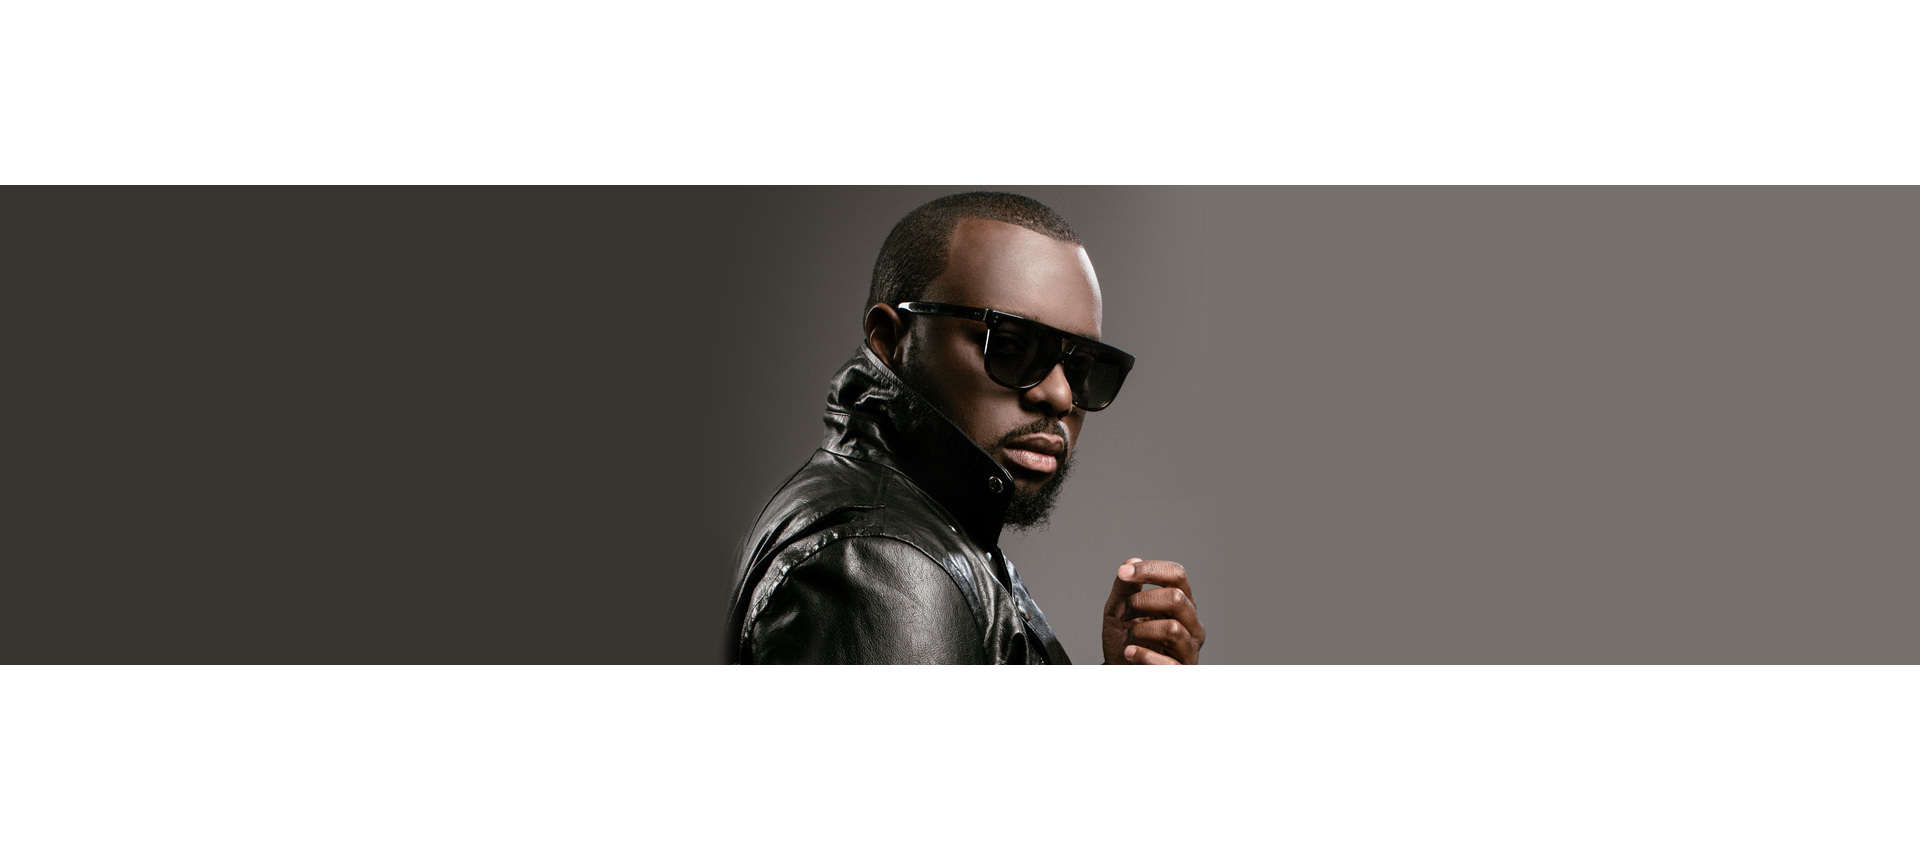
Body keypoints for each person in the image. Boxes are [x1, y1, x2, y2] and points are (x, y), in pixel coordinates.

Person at [724, 192, 1206, 664]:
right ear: (891, 340)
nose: (1060, 396)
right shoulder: (883, 562)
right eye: (1011, 346)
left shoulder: (917, 528)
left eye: (1082, 367)